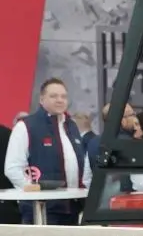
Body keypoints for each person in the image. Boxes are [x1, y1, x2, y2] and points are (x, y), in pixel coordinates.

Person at [4, 78, 91, 224]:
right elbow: (12, 167)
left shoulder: (72, 126)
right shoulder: (26, 126)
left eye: (63, 96)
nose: (59, 100)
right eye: (53, 96)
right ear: (42, 99)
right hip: (40, 210)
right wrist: (33, 192)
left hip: (73, 208)